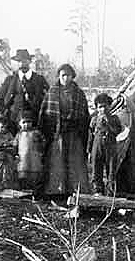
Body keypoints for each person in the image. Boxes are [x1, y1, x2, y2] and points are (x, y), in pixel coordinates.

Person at [39, 63, 91, 197]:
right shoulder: (52, 92)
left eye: (68, 75)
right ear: (59, 76)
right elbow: (45, 113)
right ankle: (57, 189)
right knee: (57, 160)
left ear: (72, 77)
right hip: (57, 132)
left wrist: (79, 128)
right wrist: (48, 131)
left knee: (75, 161)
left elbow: (84, 115)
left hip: (73, 132)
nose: (65, 78)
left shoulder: (79, 93)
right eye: (63, 75)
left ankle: (76, 189)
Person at [0, 49, 49, 134]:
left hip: (35, 123)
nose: (22, 63)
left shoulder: (39, 80)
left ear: (30, 61)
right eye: (19, 61)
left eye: (24, 60)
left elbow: (48, 99)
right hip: (14, 123)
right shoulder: (10, 80)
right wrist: (6, 113)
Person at [88, 93, 122, 195]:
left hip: (110, 146)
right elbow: (90, 135)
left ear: (109, 106)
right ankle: (97, 191)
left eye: (105, 106)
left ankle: (111, 193)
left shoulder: (115, 118)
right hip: (97, 146)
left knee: (111, 170)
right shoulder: (94, 119)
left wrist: (109, 123)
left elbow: (117, 131)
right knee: (96, 169)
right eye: (100, 107)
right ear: (97, 108)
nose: (102, 109)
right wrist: (89, 151)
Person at [14, 110, 46, 194]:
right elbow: (15, 145)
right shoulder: (19, 134)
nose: (26, 124)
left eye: (29, 122)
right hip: (23, 158)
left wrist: (41, 150)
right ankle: (24, 192)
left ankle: (35, 192)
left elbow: (43, 141)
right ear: (19, 124)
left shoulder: (36, 132)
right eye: (24, 122)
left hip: (35, 157)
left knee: (35, 175)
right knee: (23, 175)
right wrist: (15, 154)